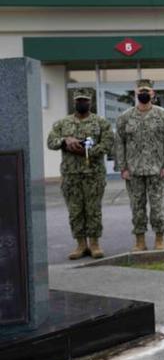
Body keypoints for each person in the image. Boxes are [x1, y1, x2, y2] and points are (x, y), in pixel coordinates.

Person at [46, 89, 114, 259]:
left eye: (84, 100)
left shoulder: (100, 122)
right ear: (74, 102)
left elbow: (107, 145)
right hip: (71, 175)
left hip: (94, 175)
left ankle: (95, 243)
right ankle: (80, 244)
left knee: (93, 210)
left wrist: (85, 150)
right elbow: (51, 142)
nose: (81, 103)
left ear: (90, 102)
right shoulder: (63, 123)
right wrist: (65, 141)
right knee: (75, 211)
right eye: (78, 100)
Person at [114, 79, 164, 252]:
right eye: (141, 91)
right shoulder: (125, 117)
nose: (144, 94)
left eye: (147, 91)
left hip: (157, 170)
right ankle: (140, 240)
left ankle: (160, 239)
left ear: (153, 94)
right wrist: (122, 167)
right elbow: (119, 143)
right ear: (136, 93)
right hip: (134, 170)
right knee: (137, 207)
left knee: (157, 206)